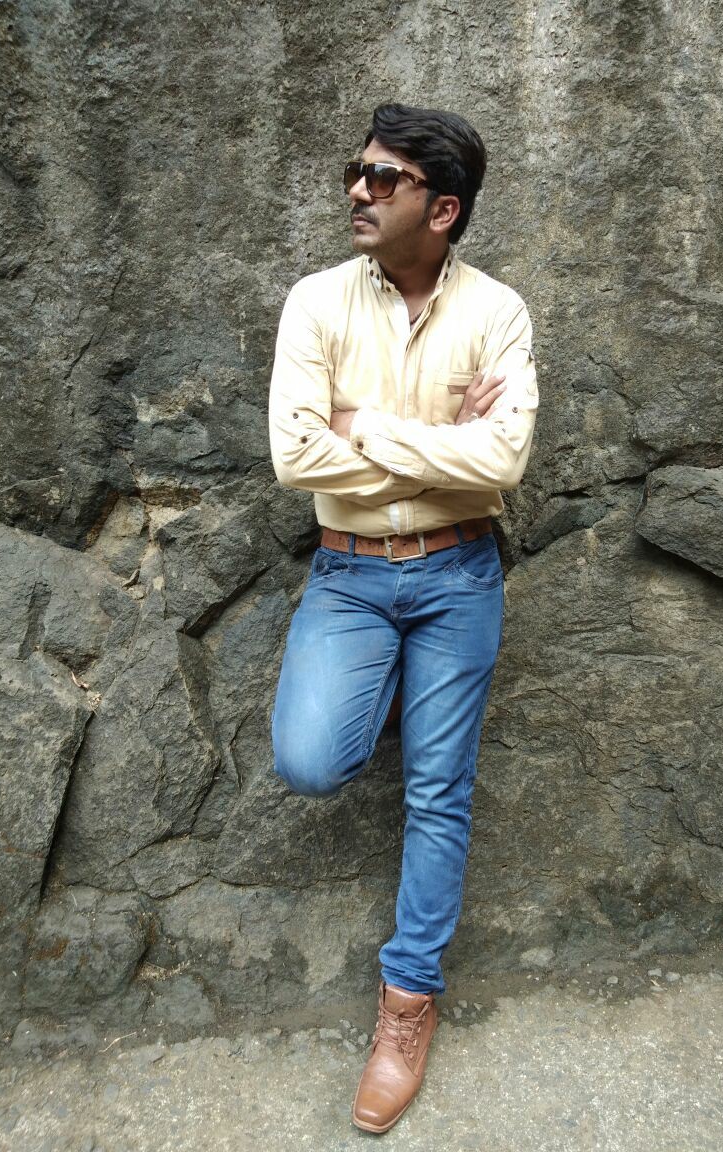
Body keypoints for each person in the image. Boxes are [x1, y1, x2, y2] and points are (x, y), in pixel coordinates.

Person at [268, 102, 537, 1133]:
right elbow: (295, 455)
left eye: (385, 179)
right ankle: (379, 687)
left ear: (444, 208)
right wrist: (439, 446)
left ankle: (408, 1002)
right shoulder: (316, 302)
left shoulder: (498, 313)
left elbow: (503, 462)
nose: (358, 190)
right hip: (347, 576)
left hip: (461, 574)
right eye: (358, 171)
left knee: (439, 791)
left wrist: (363, 428)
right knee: (309, 760)